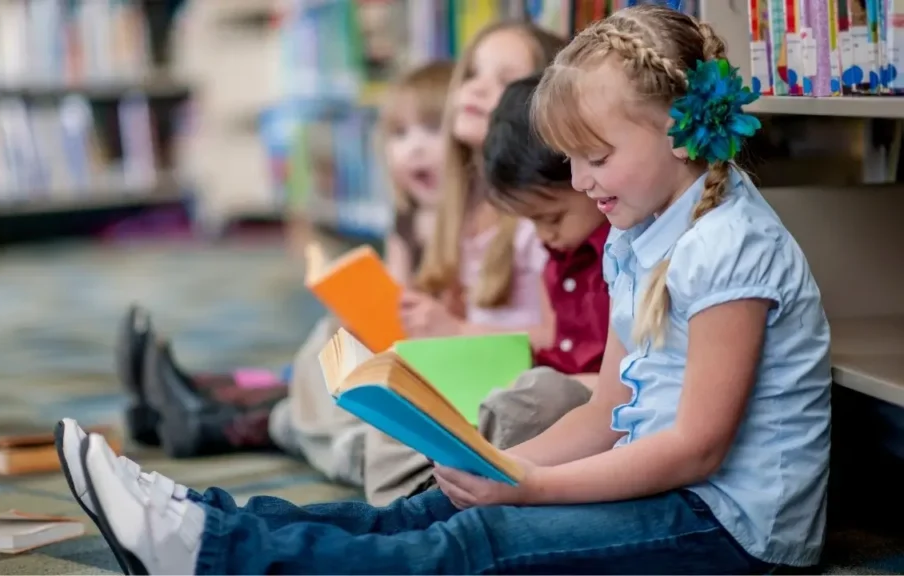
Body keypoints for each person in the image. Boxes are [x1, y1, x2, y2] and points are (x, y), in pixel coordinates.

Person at [59, 5, 831, 573]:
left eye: (594, 156)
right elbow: (606, 409)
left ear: (677, 131)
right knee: (435, 506)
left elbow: (697, 449)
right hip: (665, 487)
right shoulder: (635, 232)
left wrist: (531, 488)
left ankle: (207, 555)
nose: (579, 182)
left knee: (479, 543)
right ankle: (202, 521)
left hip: (730, 530)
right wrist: (503, 465)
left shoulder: (730, 246)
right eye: (569, 160)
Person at [113, 60, 454, 459]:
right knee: (323, 354)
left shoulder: (472, 228)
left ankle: (206, 411)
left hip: (430, 367)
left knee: (314, 387)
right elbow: (395, 302)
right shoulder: (407, 221)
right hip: (400, 354)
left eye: (432, 130)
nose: (414, 147)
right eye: (400, 134)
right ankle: (193, 395)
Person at [363, 71, 611, 505]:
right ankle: (417, 476)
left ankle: (427, 484)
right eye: (471, 73)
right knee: (394, 384)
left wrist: (458, 332)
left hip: (557, 394)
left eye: (550, 219)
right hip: (521, 377)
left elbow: (608, 377)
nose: (543, 235)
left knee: (529, 396)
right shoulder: (560, 248)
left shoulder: (612, 249)